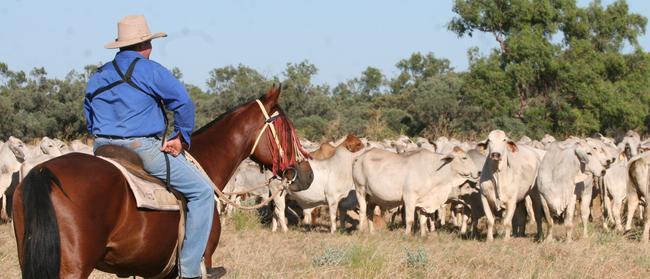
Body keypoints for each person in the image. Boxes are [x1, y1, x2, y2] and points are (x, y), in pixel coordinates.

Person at [84, 15, 214, 279]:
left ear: (121, 46)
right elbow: (184, 103)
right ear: (146, 45)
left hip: (102, 150)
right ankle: (190, 271)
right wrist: (180, 136)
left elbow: (89, 117)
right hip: (140, 148)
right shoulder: (151, 70)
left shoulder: (98, 75)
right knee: (202, 193)